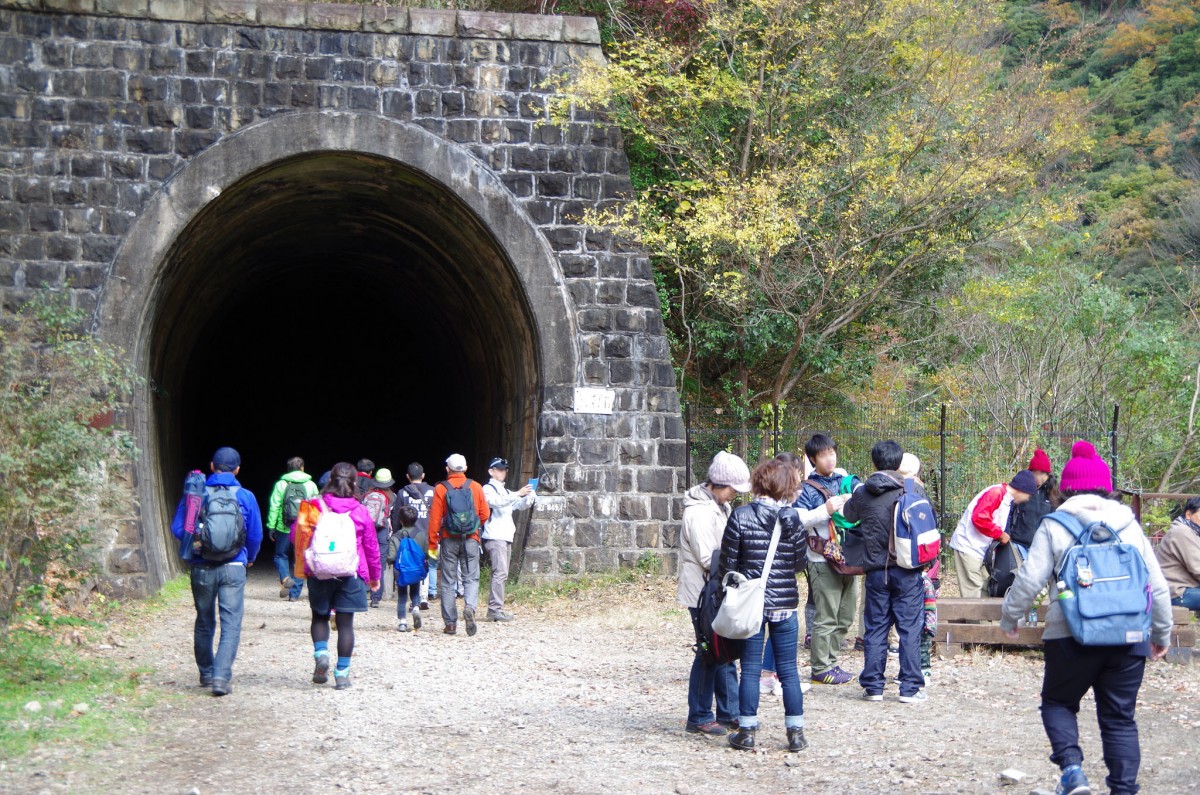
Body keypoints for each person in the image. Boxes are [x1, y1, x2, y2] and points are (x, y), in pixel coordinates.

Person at [1001, 440, 1171, 795]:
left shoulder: (1055, 523)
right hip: (1128, 636)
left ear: (1065, 487)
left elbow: (1030, 579)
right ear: (1107, 486)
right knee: (1120, 718)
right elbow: (1156, 586)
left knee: (1058, 703)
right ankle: (1124, 789)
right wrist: (1161, 633)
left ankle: (1073, 773)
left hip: (1070, 635)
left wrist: (1011, 618)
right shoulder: (1129, 524)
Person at [718, 458, 840, 753]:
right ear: (788, 487)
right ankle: (795, 733)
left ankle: (746, 731)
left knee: (749, 669)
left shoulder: (741, 515)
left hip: (752, 604)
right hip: (785, 604)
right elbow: (799, 563)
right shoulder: (793, 518)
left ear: (759, 482)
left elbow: (728, 564)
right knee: (788, 671)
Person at [169, 446, 263, 697]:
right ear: (238, 469)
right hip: (234, 567)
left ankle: (207, 673)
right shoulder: (245, 496)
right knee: (231, 623)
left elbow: (179, 528)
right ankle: (221, 677)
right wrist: (249, 557)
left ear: (212, 466)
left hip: (202, 567)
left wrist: (199, 541)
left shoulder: (196, 494)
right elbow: (255, 534)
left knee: (204, 620)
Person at [841, 440, 926, 704]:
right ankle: (910, 688)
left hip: (876, 570)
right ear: (899, 463)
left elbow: (848, 514)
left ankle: (874, 687)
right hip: (907, 570)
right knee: (909, 628)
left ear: (874, 462)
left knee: (876, 628)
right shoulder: (912, 489)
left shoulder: (863, 492)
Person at [677, 451, 750, 736]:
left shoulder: (720, 507)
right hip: (702, 594)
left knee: (726, 651)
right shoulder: (698, 512)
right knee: (709, 652)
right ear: (719, 484)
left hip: (719, 590)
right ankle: (698, 715)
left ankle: (728, 712)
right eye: (733, 489)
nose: (735, 495)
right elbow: (709, 559)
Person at [292, 461, 381, 690]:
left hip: (319, 572)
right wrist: (374, 577)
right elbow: (371, 547)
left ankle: (321, 654)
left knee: (319, 617)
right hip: (351, 573)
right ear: (354, 483)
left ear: (330, 480)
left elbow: (295, 536)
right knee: (345, 624)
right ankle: (342, 675)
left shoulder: (314, 505)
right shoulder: (360, 511)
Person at [795, 434, 862, 686]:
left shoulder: (844, 480)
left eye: (832, 452)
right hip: (822, 559)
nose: (830, 458)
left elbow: (860, 490)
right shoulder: (806, 489)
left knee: (845, 616)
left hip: (849, 558)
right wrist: (827, 510)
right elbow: (799, 519)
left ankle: (831, 662)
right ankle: (821, 668)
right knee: (826, 615)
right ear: (813, 459)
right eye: (823, 454)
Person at [427, 453, 491, 636]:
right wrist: (474, 527)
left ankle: (450, 624)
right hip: (471, 539)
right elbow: (485, 513)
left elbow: (434, 519)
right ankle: (470, 607)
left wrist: (432, 544)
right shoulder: (476, 487)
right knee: (471, 578)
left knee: (448, 582)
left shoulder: (441, 488)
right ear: (466, 468)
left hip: (448, 539)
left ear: (447, 469)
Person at [949, 470, 1038, 599]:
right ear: (1022, 490)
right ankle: (972, 618)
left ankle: (983, 618)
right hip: (968, 546)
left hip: (980, 549)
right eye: (1028, 495)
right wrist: (1000, 534)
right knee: (973, 589)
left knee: (986, 585)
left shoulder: (1006, 498)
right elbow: (979, 518)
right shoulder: (996, 493)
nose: (1028, 499)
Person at [481, 457, 536, 622]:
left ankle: (497, 608)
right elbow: (495, 503)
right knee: (500, 572)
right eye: (499, 469)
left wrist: (529, 496)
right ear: (491, 471)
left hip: (505, 536)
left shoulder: (505, 491)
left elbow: (517, 505)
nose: (503, 472)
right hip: (495, 536)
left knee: (501, 573)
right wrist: (518, 494)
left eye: (504, 469)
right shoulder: (487, 489)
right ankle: (494, 609)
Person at [266, 456, 318, 602]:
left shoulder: (281, 484)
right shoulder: (311, 485)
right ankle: (294, 595)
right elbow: (315, 508)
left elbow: (274, 506)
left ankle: (285, 578)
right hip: (303, 529)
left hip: (284, 527)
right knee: (300, 560)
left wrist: (271, 526)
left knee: (280, 556)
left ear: (288, 469)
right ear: (302, 468)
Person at [394, 462, 436, 607]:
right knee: (427, 564)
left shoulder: (402, 493)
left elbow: (396, 516)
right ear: (423, 476)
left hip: (407, 536)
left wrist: (395, 534)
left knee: (406, 563)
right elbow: (438, 514)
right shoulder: (432, 491)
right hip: (428, 536)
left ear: (407, 476)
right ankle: (424, 596)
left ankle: (408, 593)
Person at [1007, 449, 1059, 556]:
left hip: (1041, 549)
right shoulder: (1024, 487)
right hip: (1017, 544)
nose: (1033, 477)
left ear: (1042, 473)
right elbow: (1009, 510)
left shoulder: (1054, 494)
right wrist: (1007, 533)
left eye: (1034, 473)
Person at [1157, 495, 1200, 611]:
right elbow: (1198, 569)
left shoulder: (1192, 531)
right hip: (1177, 593)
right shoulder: (1182, 532)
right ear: (1189, 515)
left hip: (1185, 588)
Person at [363, 468, 396, 608]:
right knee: (380, 564)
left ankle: (363, 592)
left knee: (365, 560)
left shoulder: (367, 495)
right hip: (382, 531)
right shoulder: (392, 496)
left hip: (367, 531)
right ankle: (376, 597)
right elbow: (393, 517)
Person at [390, 503, 424, 632]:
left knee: (402, 596)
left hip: (400, 571)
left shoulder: (395, 536)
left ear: (400, 520)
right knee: (415, 591)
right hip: (415, 569)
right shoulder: (420, 535)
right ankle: (415, 607)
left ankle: (402, 622)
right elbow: (425, 553)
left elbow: (391, 556)